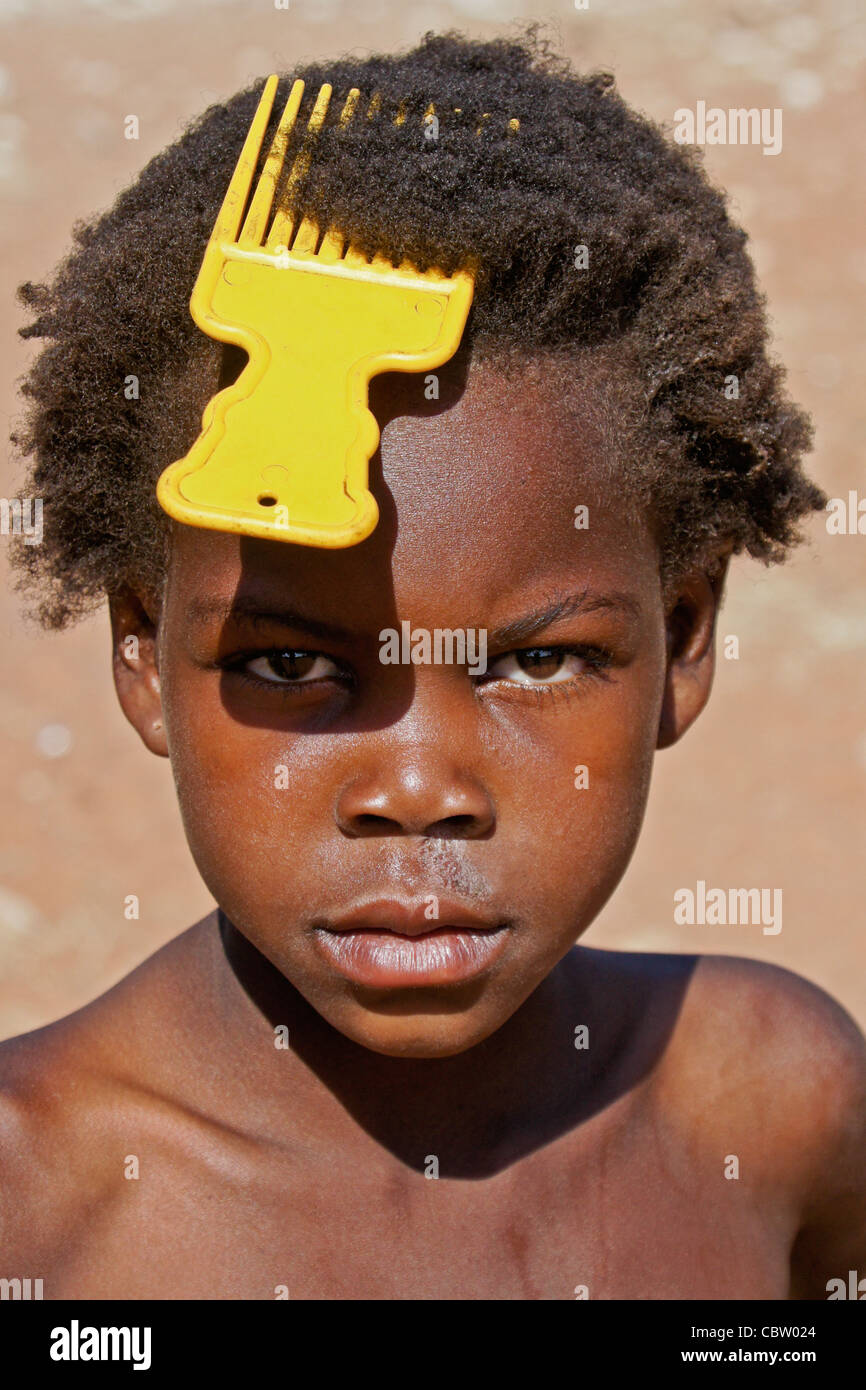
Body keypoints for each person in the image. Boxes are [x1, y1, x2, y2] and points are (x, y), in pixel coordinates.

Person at [2, 28, 863, 1300]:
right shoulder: (39, 1218)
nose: (419, 789)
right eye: (292, 661)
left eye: (537, 660)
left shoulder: (771, 1110)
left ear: (682, 641)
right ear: (140, 654)